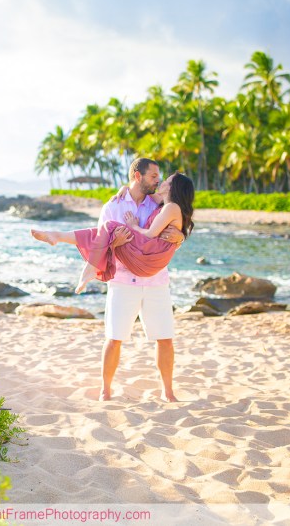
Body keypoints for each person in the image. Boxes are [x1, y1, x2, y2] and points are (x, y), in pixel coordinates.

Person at [33, 158, 190, 402]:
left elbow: (168, 238)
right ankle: (106, 390)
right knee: (114, 338)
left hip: (155, 281)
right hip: (123, 280)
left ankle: (168, 392)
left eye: (160, 177)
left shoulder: (160, 203)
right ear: (137, 176)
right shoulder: (112, 206)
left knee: (165, 338)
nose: (158, 180)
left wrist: (180, 238)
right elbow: (100, 243)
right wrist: (114, 244)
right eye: (153, 176)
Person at [30, 171, 194, 293]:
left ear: (173, 188)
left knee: (109, 227)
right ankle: (58, 237)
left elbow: (150, 234)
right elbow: (144, 192)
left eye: (167, 180)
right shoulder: (164, 203)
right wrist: (125, 188)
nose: (161, 181)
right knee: (106, 231)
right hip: (148, 255)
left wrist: (133, 225)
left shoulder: (171, 207)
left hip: (149, 255)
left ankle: (89, 265)